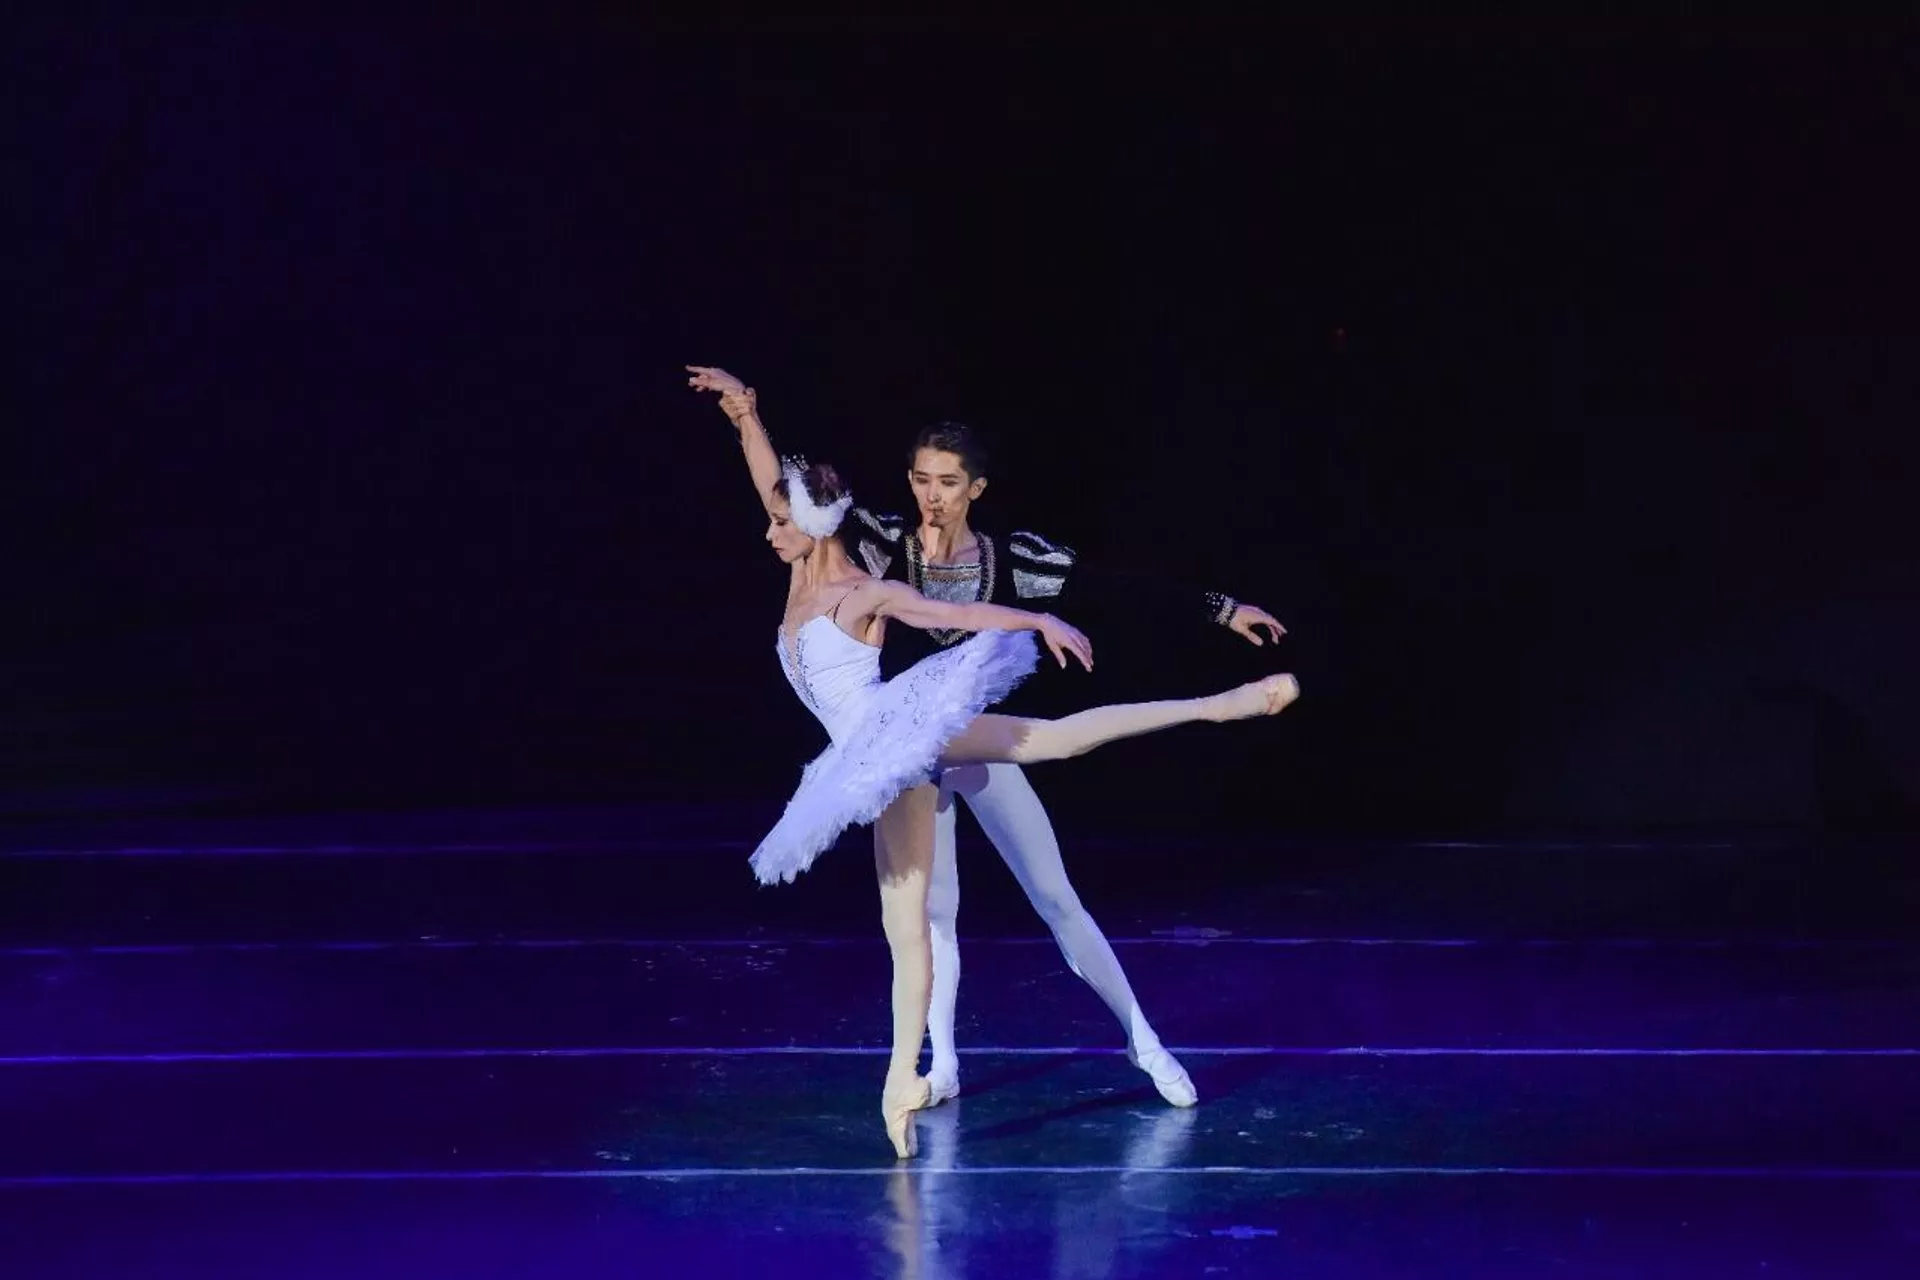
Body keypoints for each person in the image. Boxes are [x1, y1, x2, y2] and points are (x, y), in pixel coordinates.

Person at [689, 366, 1299, 1159]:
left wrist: (1217, 608)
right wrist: (745, 415)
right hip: (894, 753)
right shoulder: (875, 542)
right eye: (920, 479)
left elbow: (1109, 588)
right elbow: (784, 496)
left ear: (975, 487)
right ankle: (935, 1067)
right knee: (928, 915)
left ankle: (1144, 1041)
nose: (931, 496)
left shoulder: (995, 560)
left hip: (937, 727)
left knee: (1052, 885)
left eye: (947, 482)